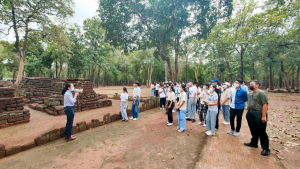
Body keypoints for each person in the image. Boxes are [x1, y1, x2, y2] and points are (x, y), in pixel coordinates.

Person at [244, 80, 270, 156]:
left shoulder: (261, 93)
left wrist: (264, 116)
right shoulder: (250, 93)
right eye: (250, 84)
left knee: (261, 131)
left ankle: (266, 149)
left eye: (252, 84)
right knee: (253, 129)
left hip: (258, 113)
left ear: (257, 85)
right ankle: (254, 143)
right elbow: (250, 102)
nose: (250, 85)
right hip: (250, 113)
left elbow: (265, 104)